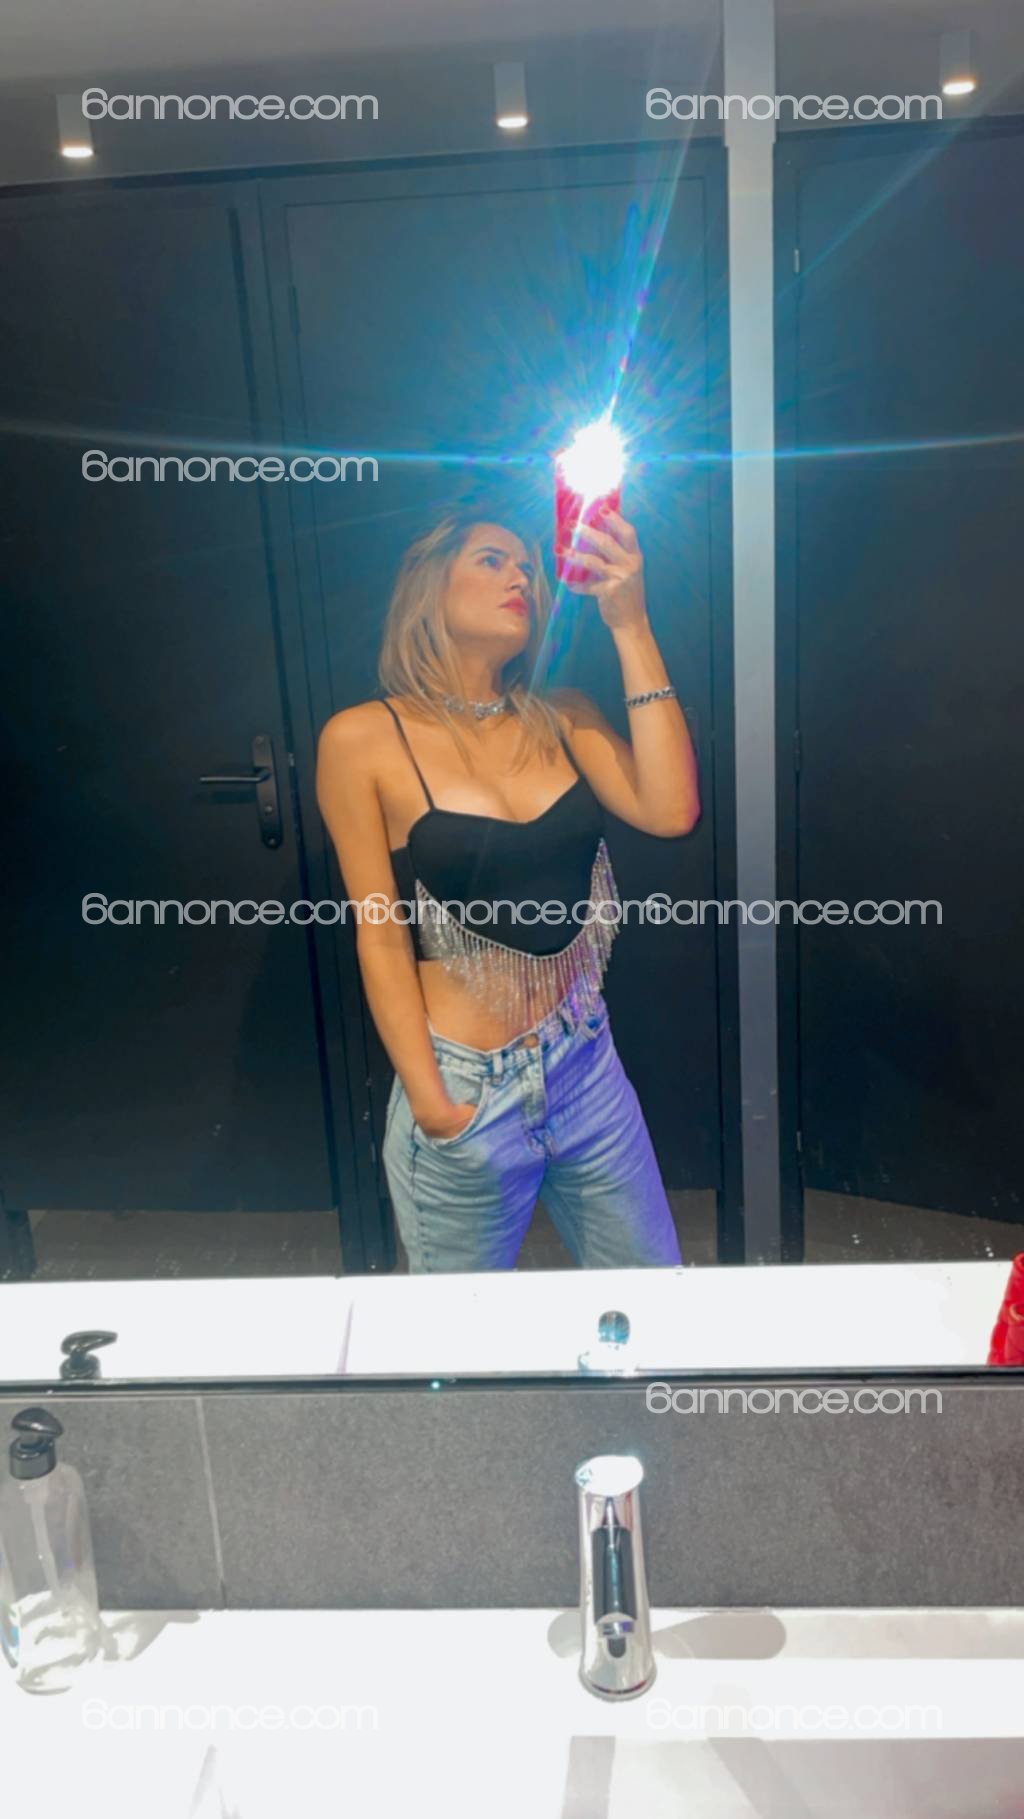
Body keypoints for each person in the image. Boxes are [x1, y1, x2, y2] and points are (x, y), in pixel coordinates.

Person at [316, 500, 700, 1271]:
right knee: (461, 1333)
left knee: (653, 1298)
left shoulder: (561, 716)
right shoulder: (362, 738)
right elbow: (380, 931)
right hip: (468, 1086)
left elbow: (670, 809)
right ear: (429, 586)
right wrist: (432, 1101)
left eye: (526, 566)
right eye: (491, 561)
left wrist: (630, 622)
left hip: (584, 1062)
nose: (520, 577)